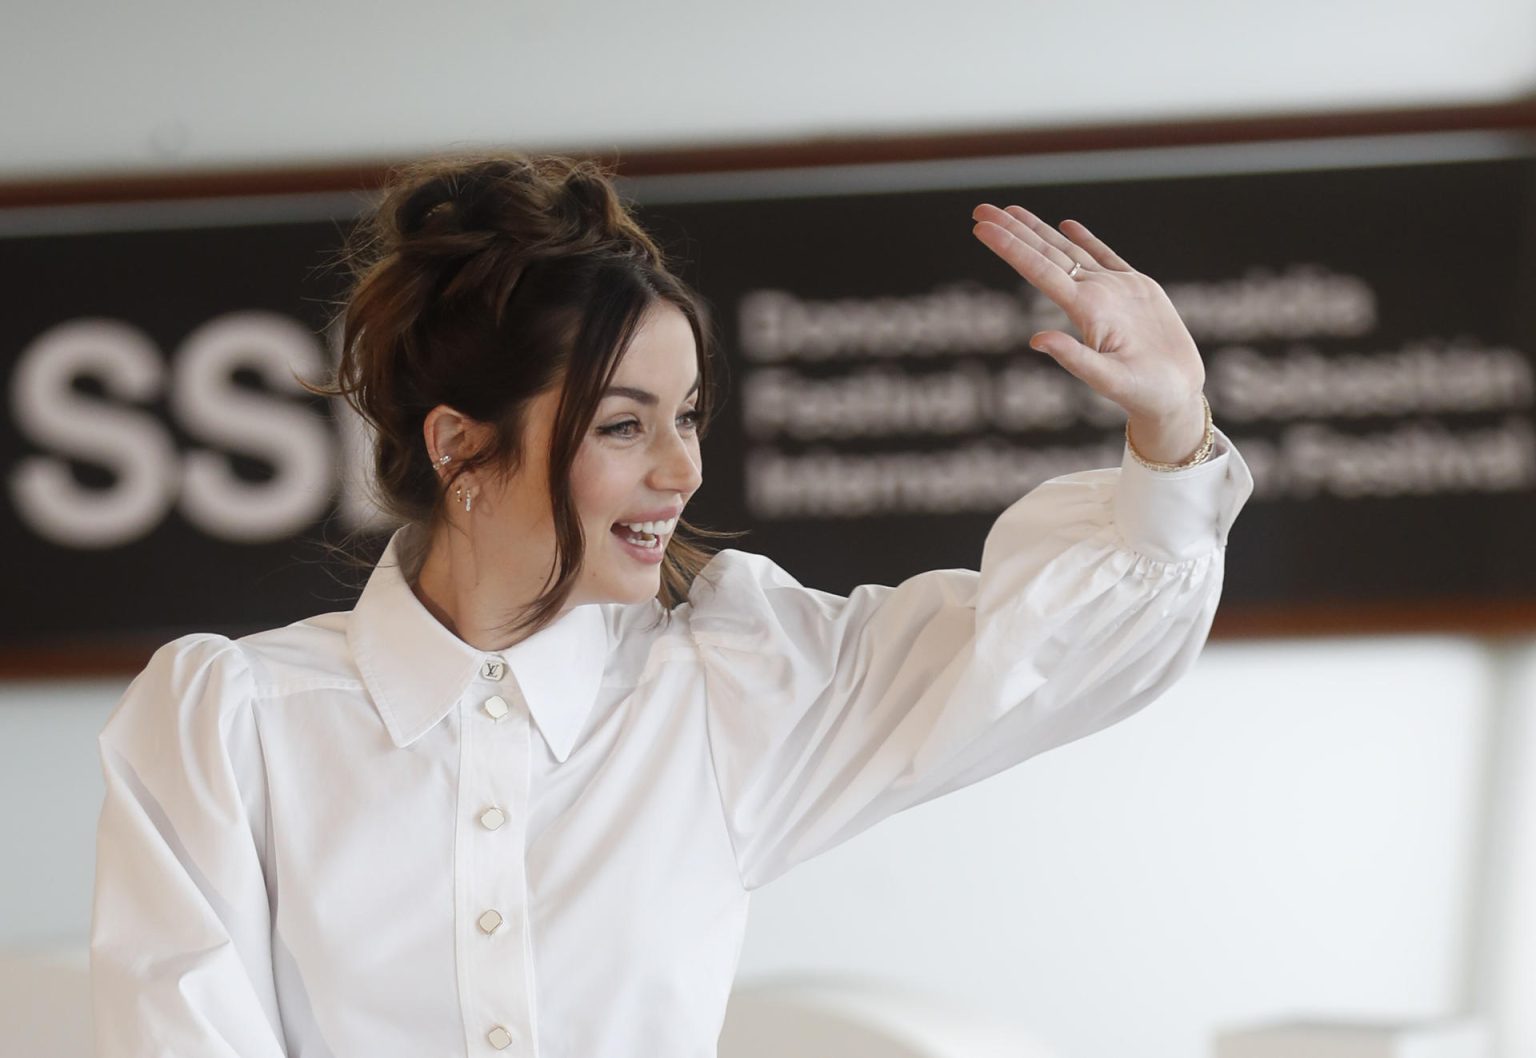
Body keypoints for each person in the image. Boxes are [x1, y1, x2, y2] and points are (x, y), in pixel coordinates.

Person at [89, 154, 1253, 1058]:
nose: (682, 470)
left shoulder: (731, 684)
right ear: (459, 445)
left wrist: (1174, 427)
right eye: (623, 424)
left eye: (688, 415)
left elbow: (1043, 656)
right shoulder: (231, 719)